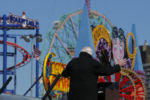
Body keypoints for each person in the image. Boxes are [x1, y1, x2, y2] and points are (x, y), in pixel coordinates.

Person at [62, 46, 126, 100]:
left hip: (73, 97)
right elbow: (107, 71)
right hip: (89, 96)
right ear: (90, 55)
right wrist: (118, 65)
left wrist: (65, 70)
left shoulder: (72, 62)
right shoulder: (93, 63)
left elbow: (64, 74)